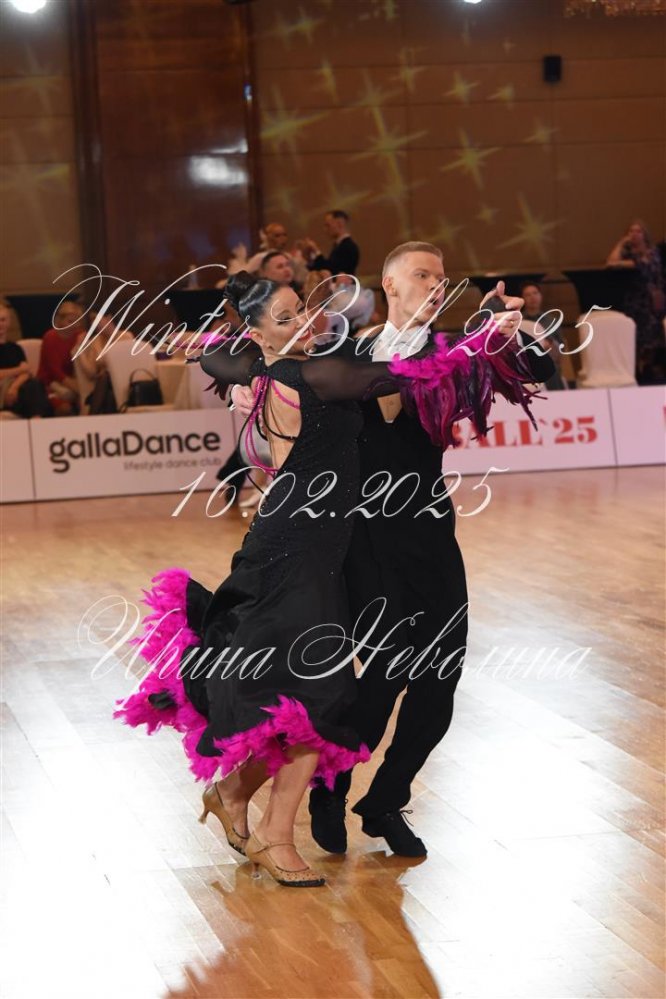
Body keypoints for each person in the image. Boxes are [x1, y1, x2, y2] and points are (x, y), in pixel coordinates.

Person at [114, 270, 483, 887]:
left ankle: (236, 795)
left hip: (315, 549)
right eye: (285, 318)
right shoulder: (309, 374)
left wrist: (214, 353)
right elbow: (399, 374)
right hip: (296, 551)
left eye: (304, 310)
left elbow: (222, 355)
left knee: (309, 696)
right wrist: (478, 344)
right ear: (259, 333)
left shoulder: (265, 366)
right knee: (318, 697)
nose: (305, 322)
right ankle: (274, 835)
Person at [303, 242, 556, 857]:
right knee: (384, 672)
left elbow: (539, 369)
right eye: (423, 275)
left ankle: (385, 799)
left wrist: (512, 332)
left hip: (428, 530)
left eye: (442, 278)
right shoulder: (347, 352)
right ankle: (331, 785)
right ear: (389, 285)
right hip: (364, 536)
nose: (437, 285)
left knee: (442, 674)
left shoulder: (453, 352)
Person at [607, 220, 666, 385]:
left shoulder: (652, 252)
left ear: (644, 234)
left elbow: (644, 265)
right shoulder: (627, 252)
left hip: (650, 302)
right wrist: (621, 243)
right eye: (631, 231)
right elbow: (611, 262)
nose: (634, 234)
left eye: (638, 231)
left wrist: (621, 264)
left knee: (651, 340)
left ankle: (649, 371)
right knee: (633, 339)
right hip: (633, 302)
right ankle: (636, 372)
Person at [0, 301, 52, 418]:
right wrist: (18, 370)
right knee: (32, 389)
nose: (0, 324)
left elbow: (26, 373)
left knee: (35, 384)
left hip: (16, 388)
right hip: (2, 389)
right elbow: (21, 370)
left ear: (8, 322)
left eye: (3, 320)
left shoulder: (15, 348)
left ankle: (37, 419)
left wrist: (14, 387)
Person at [37, 299, 85, 414]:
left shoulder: (80, 335)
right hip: (49, 384)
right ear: (59, 320)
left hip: (73, 381)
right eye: (70, 321)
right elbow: (56, 373)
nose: (74, 325)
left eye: (77, 321)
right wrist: (80, 389)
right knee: (65, 408)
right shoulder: (50, 338)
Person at [519, 282, 567, 390]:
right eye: (528, 295)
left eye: (535, 293)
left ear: (540, 296)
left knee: (551, 369)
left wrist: (551, 344)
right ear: (522, 299)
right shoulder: (518, 321)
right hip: (525, 363)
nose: (532, 297)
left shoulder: (552, 320)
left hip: (548, 361)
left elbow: (561, 350)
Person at [302, 210, 360, 276]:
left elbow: (331, 271)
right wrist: (309, 258)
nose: (325, 229)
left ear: (340, 223)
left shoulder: (348, 247)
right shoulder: (339, 245)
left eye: (328, 225)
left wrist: (316, 250)